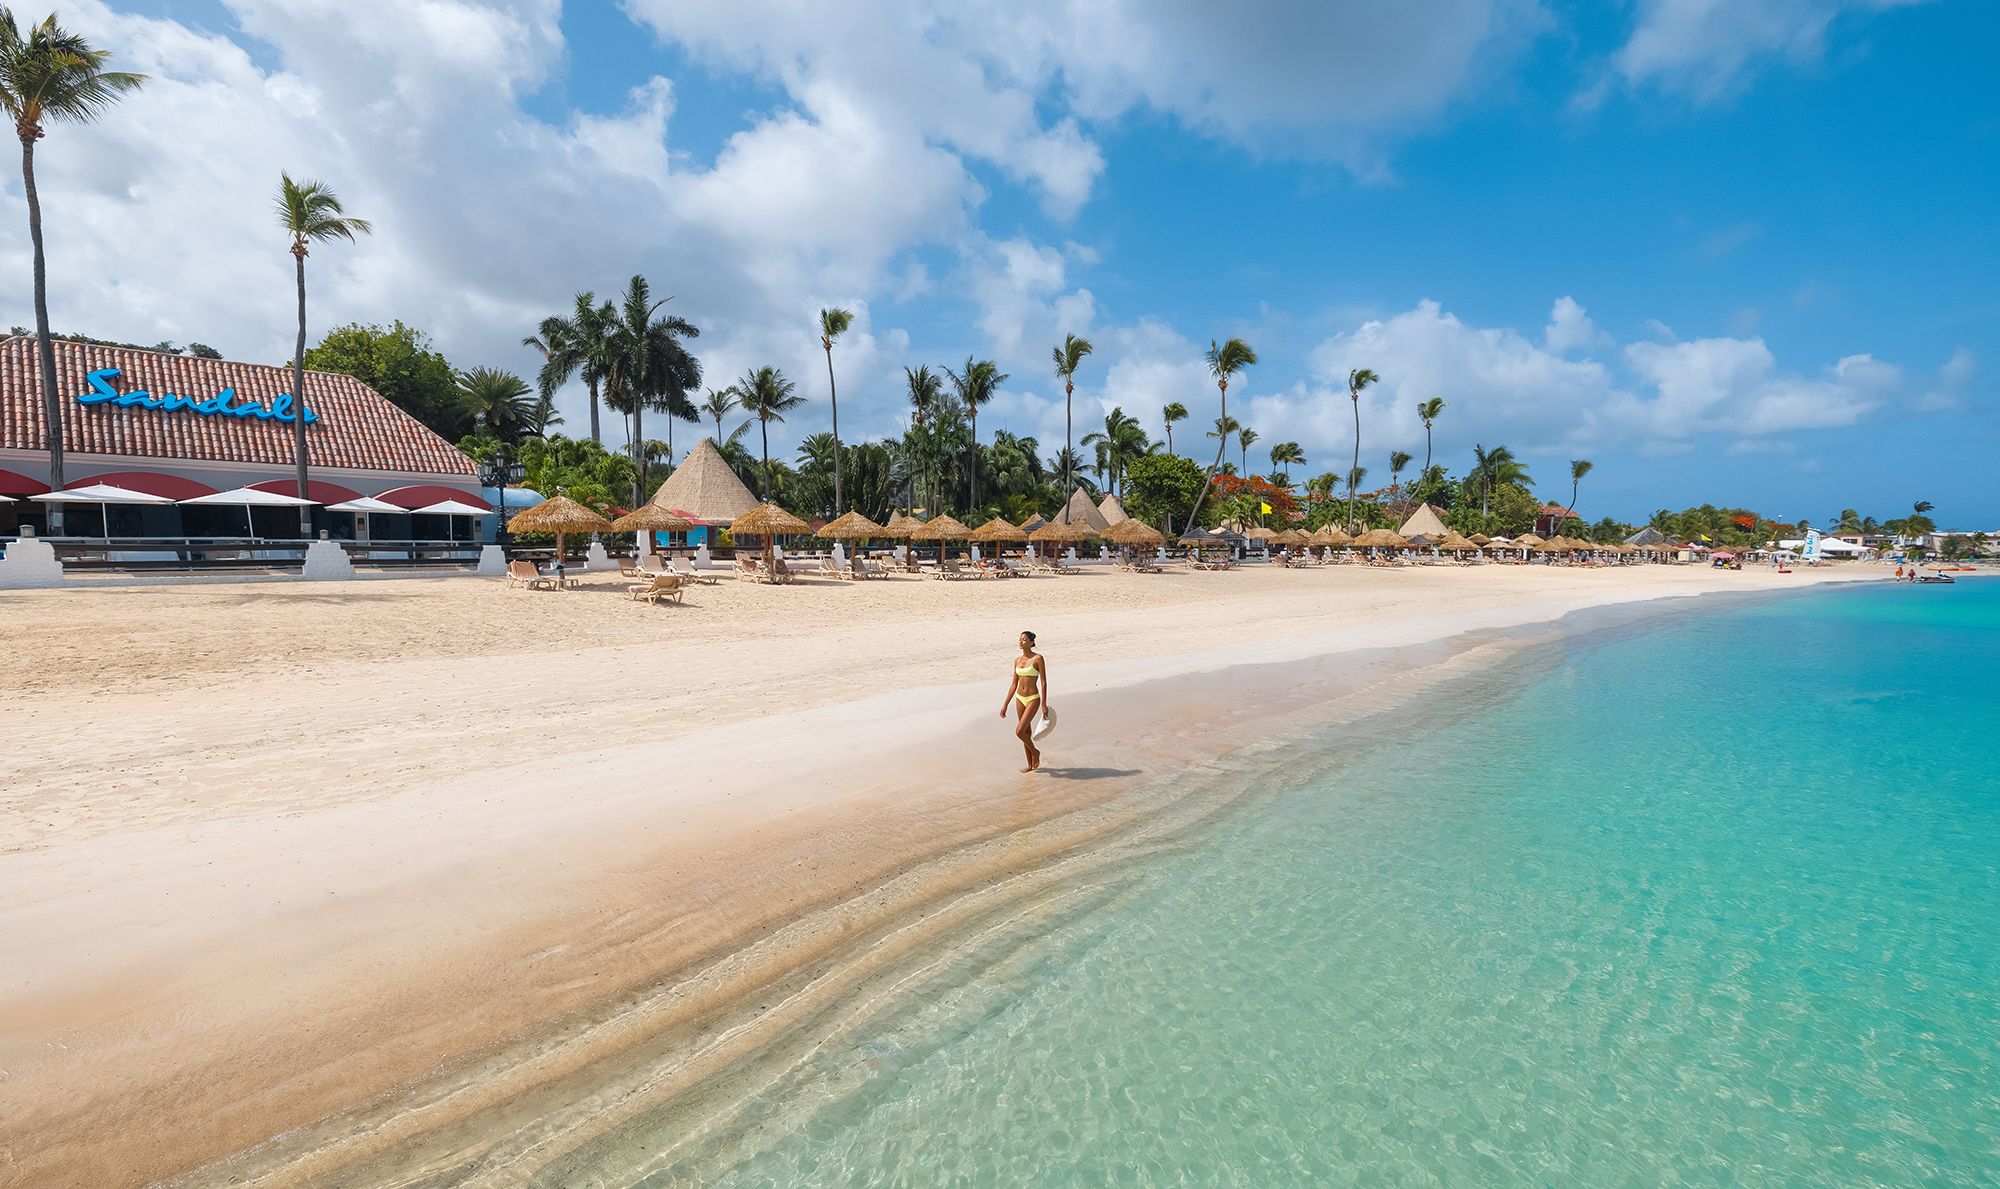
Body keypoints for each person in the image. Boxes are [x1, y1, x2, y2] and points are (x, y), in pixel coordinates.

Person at [999, 630, 1049, 772]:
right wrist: (1005, 704)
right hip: (1020, 699)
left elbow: (1044, 682)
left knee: (1019, 731)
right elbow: (1013, 684)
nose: (1021, 642)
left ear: (1032, 642)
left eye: (1024, 640)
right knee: (1025, 732)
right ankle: (1030, 765)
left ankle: (1035, 753)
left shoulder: (1038, 659)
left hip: (1033, 698)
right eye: (1020, 640)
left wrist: (1044, 704)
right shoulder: (1017, 660)